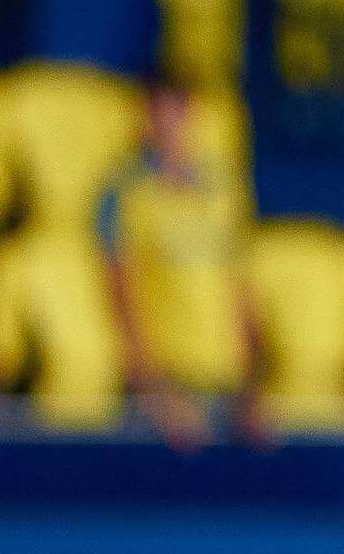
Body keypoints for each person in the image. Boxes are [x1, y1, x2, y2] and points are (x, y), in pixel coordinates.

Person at [104, 80, 266, 450]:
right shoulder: (124, 194)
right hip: (168, 389)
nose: (167, 124)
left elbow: (241, 289)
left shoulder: (225, 190)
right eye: (157, 112)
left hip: (227, 383)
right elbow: (118, 296)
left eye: (176, 111)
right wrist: (154, 393)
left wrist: (255, 387)